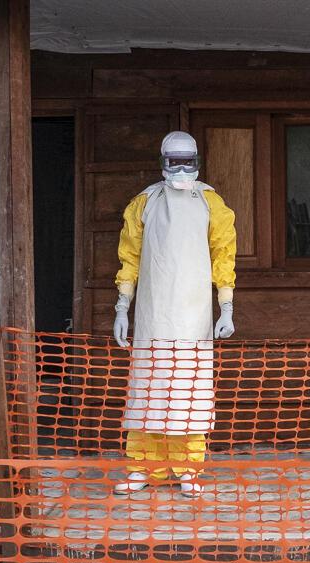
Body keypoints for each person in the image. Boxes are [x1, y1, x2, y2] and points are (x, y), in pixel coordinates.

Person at [112, 131, 237, 497]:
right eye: (174, 161)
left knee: (189, 392)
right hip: (152, 317)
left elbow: (223, 255)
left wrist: (226, 306)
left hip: (194, 319)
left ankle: (188, 471)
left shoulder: (212, 203)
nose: (181, 169)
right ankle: (141, 468)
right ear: (162, 162)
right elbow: (129, 258)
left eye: (188, 161)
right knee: (147, 391)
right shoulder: (144, 203)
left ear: (197, 161)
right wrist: (122, 307)